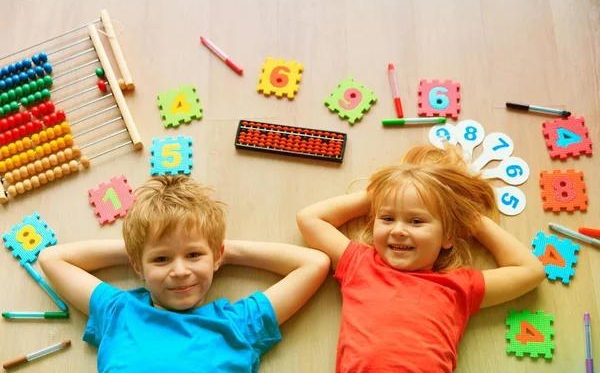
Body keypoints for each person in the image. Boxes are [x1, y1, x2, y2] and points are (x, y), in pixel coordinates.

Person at [39, 175, 330, 373]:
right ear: (137, 266)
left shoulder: (238, 324)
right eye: (162, 259)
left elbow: (314, 263)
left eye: (193, 255)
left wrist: (220, 251)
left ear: (217, 255)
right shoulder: (120, 312)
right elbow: (53, 258)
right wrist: (142, 247)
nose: (179, 271)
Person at [296, 144, 546, 373]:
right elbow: (310, 219)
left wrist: (471, 219)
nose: (398, 230)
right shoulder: (360, 263)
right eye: (387, 218)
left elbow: (530, 271)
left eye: (416, 221)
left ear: (447, 236)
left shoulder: (458, 286)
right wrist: (381, 193)